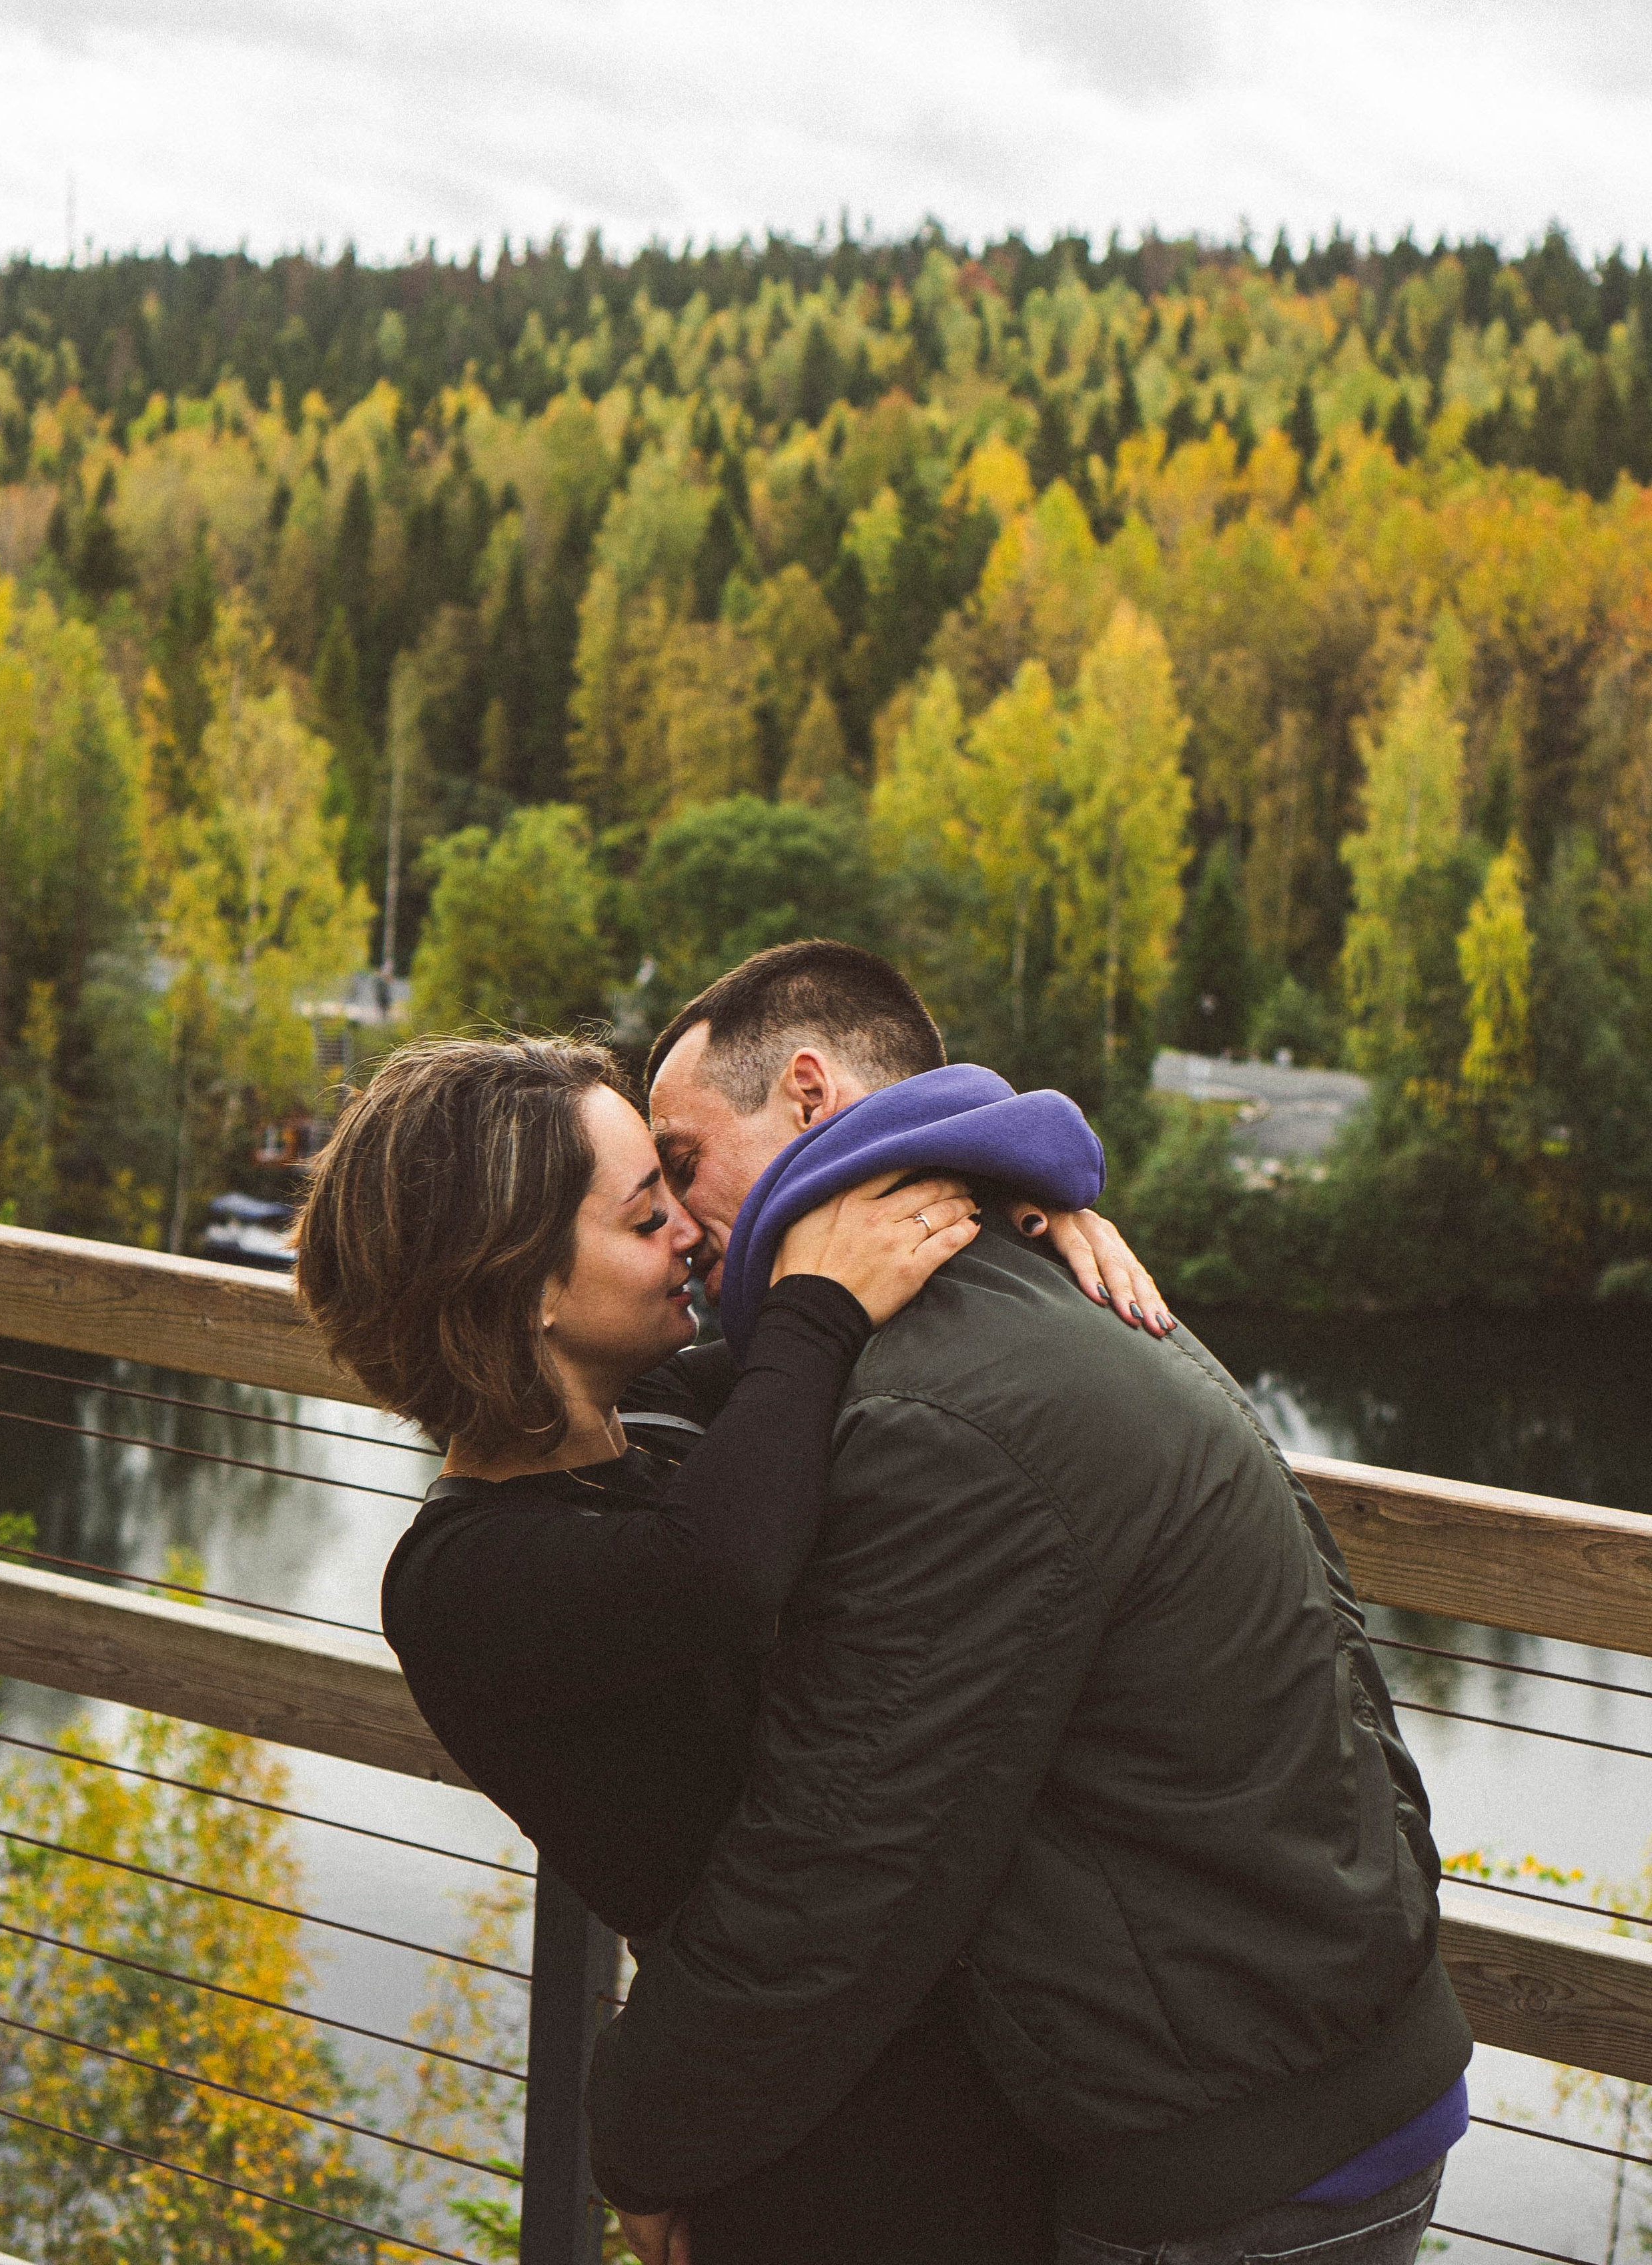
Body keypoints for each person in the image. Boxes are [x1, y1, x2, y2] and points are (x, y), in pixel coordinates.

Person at [584, 939, 1471, 2265]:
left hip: (1235, 2168)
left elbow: (836, 1858)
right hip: (1307, 2084)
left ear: (810, 1096)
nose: (675, 1218)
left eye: (683, 1158)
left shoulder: (938, 1408)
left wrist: (643, 2133)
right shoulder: (1020, 1287)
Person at [293, 1031, 1164, 2262]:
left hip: (907, 2080)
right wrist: (813, 1304)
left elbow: (973, 1156)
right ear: (528, 1289)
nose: (693, 1237)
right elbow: (721, 1566)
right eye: (648, 1216)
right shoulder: (462, 1583)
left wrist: (1035, 1216)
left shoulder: (653, 1427)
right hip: (805, 2158)